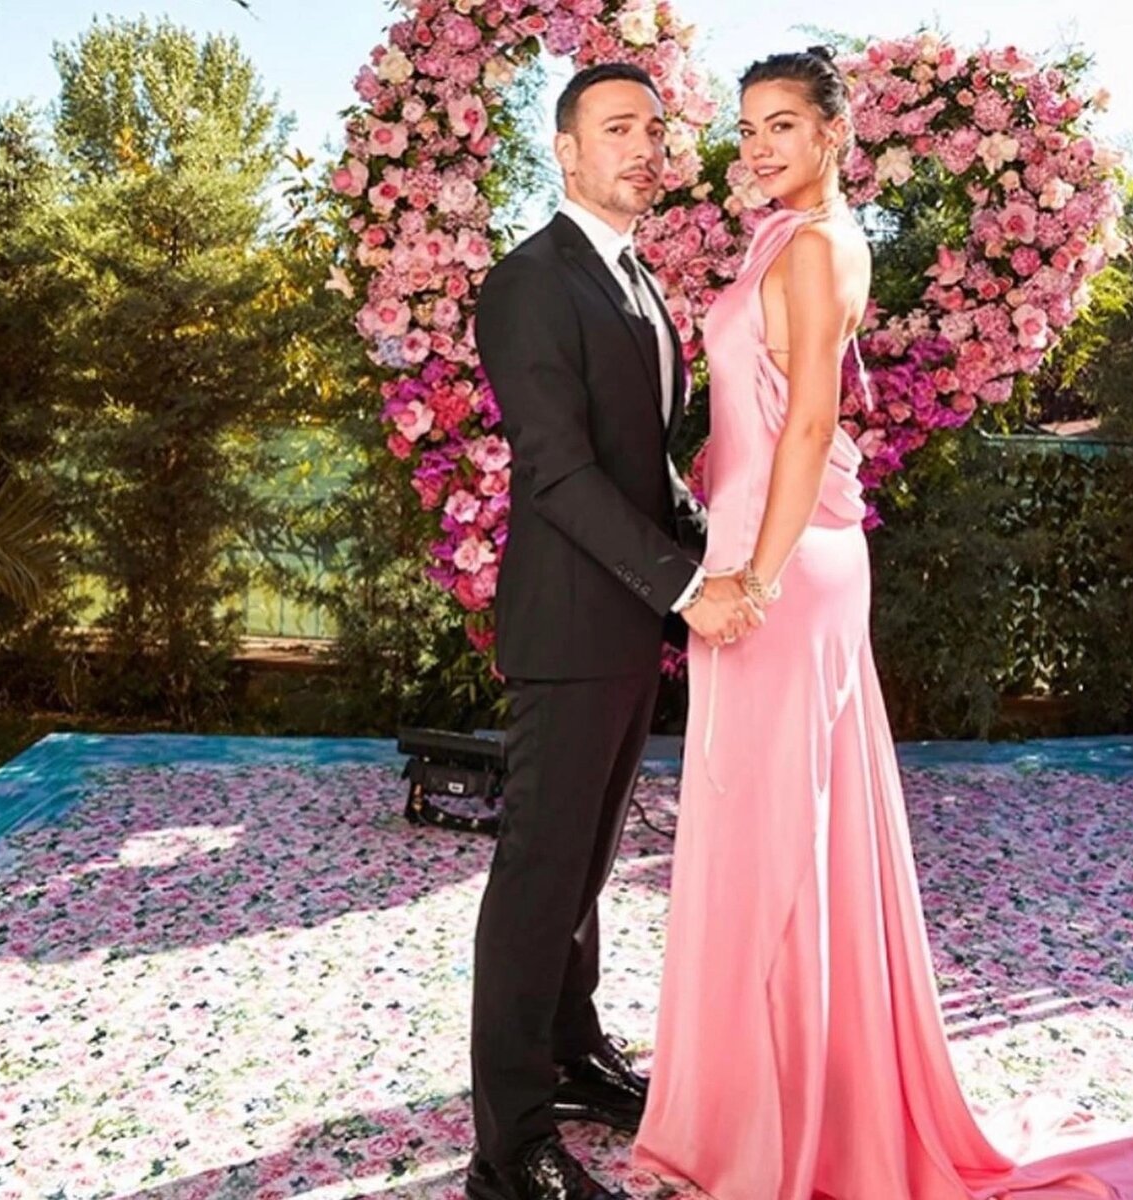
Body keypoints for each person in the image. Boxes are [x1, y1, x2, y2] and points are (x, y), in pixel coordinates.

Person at [633, 47, 1133, 1200]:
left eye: (784, 124)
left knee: (778, 832)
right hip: (756, 545)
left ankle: (791, 1124)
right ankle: (767, 1099)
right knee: (761, 823)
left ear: (836, 132)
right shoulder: (781, 236)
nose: (760, 147)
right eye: (750, 126)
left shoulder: (818, 245)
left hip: (785, 563)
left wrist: (756, 575)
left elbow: (806, 424)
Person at [466, 63, 761, 1200]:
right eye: (617, 128)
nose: (643, 147)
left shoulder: (638, 279)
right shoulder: (529, 283)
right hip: (567, 629)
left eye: (654, 129)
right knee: (538, 877)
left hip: (630, 629)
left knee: (584, 867)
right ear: (567, 151)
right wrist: (686, 590)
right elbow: (559, 472)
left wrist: (728, 562)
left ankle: (573, 1053)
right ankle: (510, 1148)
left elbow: (645, 473)